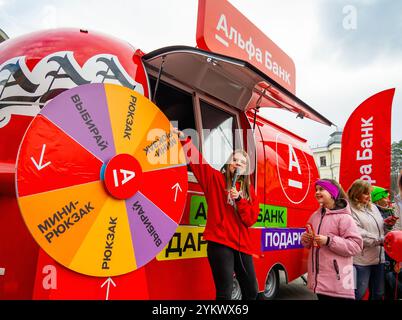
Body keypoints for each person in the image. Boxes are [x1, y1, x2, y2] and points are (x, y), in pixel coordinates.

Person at [175, 128, 259, 300]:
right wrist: (184, 139)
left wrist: (240, 201)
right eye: (234, 160)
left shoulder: (249, 192)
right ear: (229, 163)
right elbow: (198, 163)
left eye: (241, 162)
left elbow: (250, 220)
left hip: (242, 247)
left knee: (251, 290)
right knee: (224, 292)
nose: (237, 163)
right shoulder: (215, 179)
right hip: (220, 244)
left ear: (246, 168)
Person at [301, 179, 363, 300]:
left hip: (339, 283)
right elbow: (308, 242)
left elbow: (356, 245)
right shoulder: (315, 216)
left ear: (332, 192)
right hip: (319, 283)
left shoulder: (344, 217)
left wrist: (329, 241)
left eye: (321, 189)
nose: (317, 192)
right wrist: (306, 238)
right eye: (316, 190)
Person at [347, 180, 396, 300]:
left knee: (378, 294)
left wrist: (387, 225)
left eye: (369, 193)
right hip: (361, 261)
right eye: (366, 193)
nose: (369, 197)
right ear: (356, 193)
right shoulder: (350, 210)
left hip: (379, 259)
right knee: (358, 294)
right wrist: (381, 240)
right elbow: (359, 235)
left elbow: (379, 228)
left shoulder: (373, 207)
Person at [371, 185, 401, 299]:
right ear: (378, 199)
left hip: (391, 255)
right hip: (378, 255)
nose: (388, 200)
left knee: (390, 287)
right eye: (385, 197)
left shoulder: (390, 211)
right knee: (379, 289)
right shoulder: (373, 213)